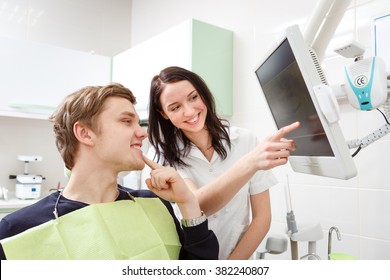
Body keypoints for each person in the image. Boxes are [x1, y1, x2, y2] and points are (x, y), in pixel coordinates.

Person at [0, 83, 219, 260]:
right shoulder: (16, 230)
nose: (142, 133)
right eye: (126, 121)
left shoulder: (155, 204)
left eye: (139, 123)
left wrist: (188, 203)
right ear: (85, 133)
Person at [147, 66, 299, 260]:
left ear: (203, 94)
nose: (189, 111)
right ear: (163, 113)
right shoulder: (161, 154)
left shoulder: (245, 140)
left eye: (193, 97)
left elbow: (262, 218)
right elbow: (198, 206)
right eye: (175, 107)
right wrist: (250, 162)